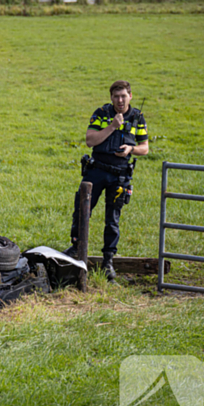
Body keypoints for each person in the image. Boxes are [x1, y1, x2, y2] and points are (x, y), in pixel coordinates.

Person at [63, 80, 149, 281]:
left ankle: (108, 261)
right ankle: (76, 248)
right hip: (97, 171)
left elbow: (145, 148)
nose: (120, 100)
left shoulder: (138, 117)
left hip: (120, 174)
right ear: (111, 98)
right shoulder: (101, 113)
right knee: (82, 211)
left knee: (113, 219)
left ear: (130, 96)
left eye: (124, 96)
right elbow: (90, 140)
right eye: (116, 96)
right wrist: (112, 126)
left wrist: (131, 149)